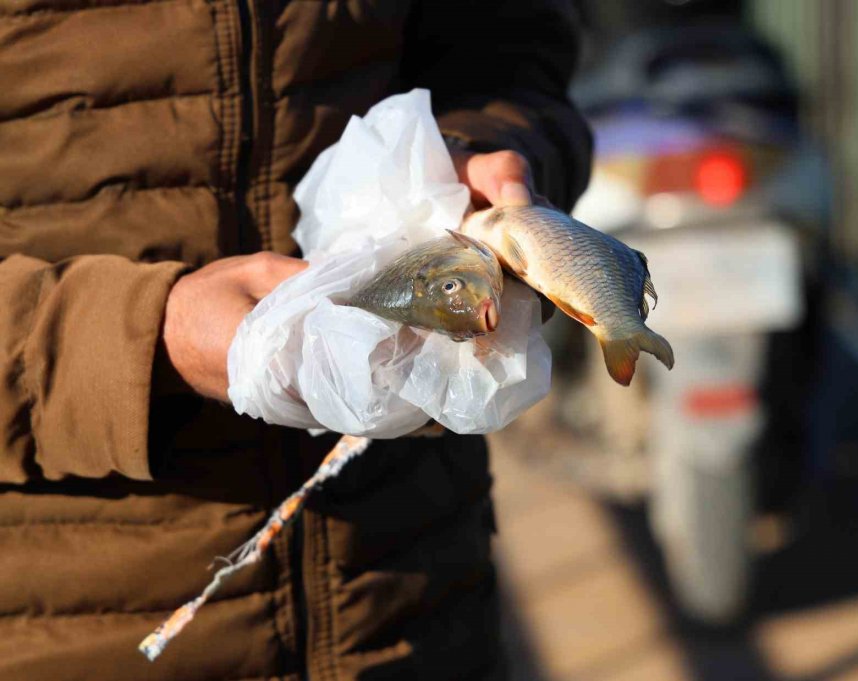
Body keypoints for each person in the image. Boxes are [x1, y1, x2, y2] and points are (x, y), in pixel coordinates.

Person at [0, 1, 592, 679]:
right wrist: (141, 336)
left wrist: (469, 154)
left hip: (411, 594)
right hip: (76, 621)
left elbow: (510, 47)